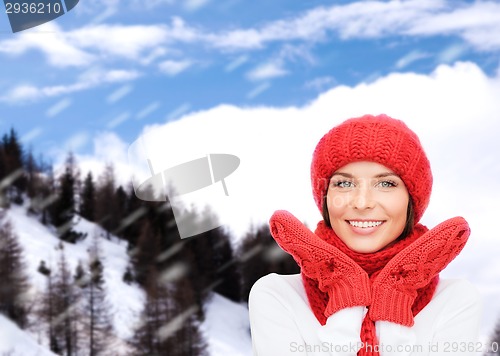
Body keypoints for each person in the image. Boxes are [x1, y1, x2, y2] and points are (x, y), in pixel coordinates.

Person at [248, 114, 483, 356]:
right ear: (326, 198)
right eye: (344, 184)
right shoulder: (278, 296)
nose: (362, 203)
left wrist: (395, 296)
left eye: (386, 184)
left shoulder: (454, 301)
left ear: (411, 200)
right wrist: (344, 289)